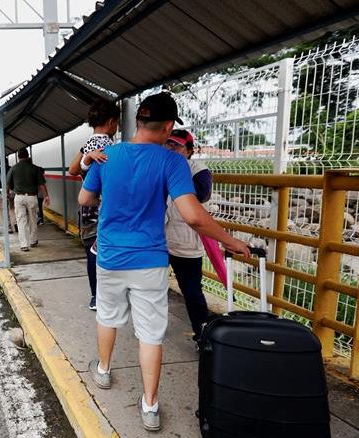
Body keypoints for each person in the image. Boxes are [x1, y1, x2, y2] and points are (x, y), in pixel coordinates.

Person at [78, 92, 249, 431]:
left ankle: (103, 370)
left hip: (110, 255)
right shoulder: (172, 162)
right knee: (150, 334)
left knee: (108, 316)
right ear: (169, 126)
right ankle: (150, 406)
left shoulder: (107, 156)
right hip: (149, 261)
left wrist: (101, 180)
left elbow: (84, 198)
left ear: (138, 122)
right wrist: (232, 241)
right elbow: (193, 216)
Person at [68, 98, 120, 311]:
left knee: (92, 250)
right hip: (107, 207)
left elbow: (74, 170)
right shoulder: (110, 146)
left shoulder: (88, 144)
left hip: (88, 208)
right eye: (116, 123)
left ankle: (95, 297)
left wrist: (87, 156)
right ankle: (108, 296)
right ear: (110, 122)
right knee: (107, 251)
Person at [164, 129, 214, 345]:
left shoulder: (199, 171)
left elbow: (202, 195)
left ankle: (202, 335)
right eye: (168, 145)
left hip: (186, 242)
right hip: (160, 238)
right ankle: (152, 329)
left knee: (192, 291)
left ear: (190, 150)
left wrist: (177, 171)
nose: (170, 149)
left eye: (176, 146)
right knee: (153, 286)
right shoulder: (162, 167)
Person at [6, 148, 50, 251]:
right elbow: (42, 184)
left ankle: (24, 245)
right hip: (31, 197)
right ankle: (33, 241)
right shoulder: (34, 168)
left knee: (21, 221)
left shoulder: (13, 168)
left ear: (18, 157)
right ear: (28, 155)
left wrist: (7, 195)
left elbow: (8, 184)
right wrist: (46, 196)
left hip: (19, 197)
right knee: (33, 219)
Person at [0, 160, 16, 233]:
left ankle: (9, 227)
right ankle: (16, 223)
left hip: (1, 192)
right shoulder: (11, 169)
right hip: (12, 191)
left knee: (4, 210)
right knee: (13, 208)